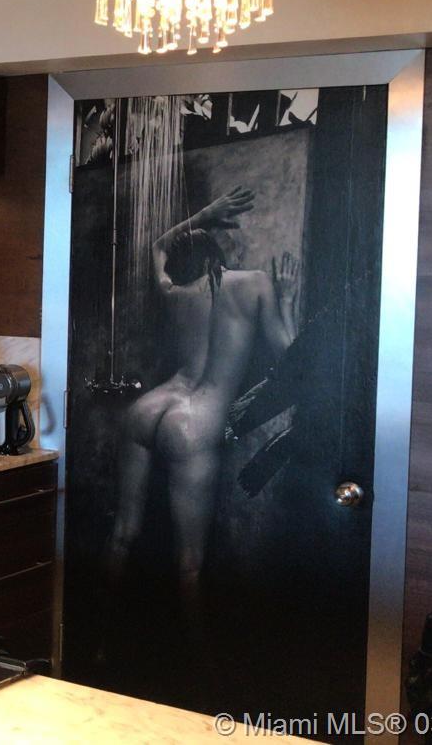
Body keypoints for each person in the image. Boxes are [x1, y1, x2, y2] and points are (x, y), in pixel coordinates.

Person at [104, 185, 300, 650]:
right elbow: (291, 361)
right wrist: (288, 301)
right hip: (196, 421)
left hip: (149, 407)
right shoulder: (255, 284)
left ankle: (100, 644)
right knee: (190, 562)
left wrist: (206, 212)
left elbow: (158, 245)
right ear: (220, 256)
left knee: (123, 534)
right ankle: (200, 664)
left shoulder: (173, 291)